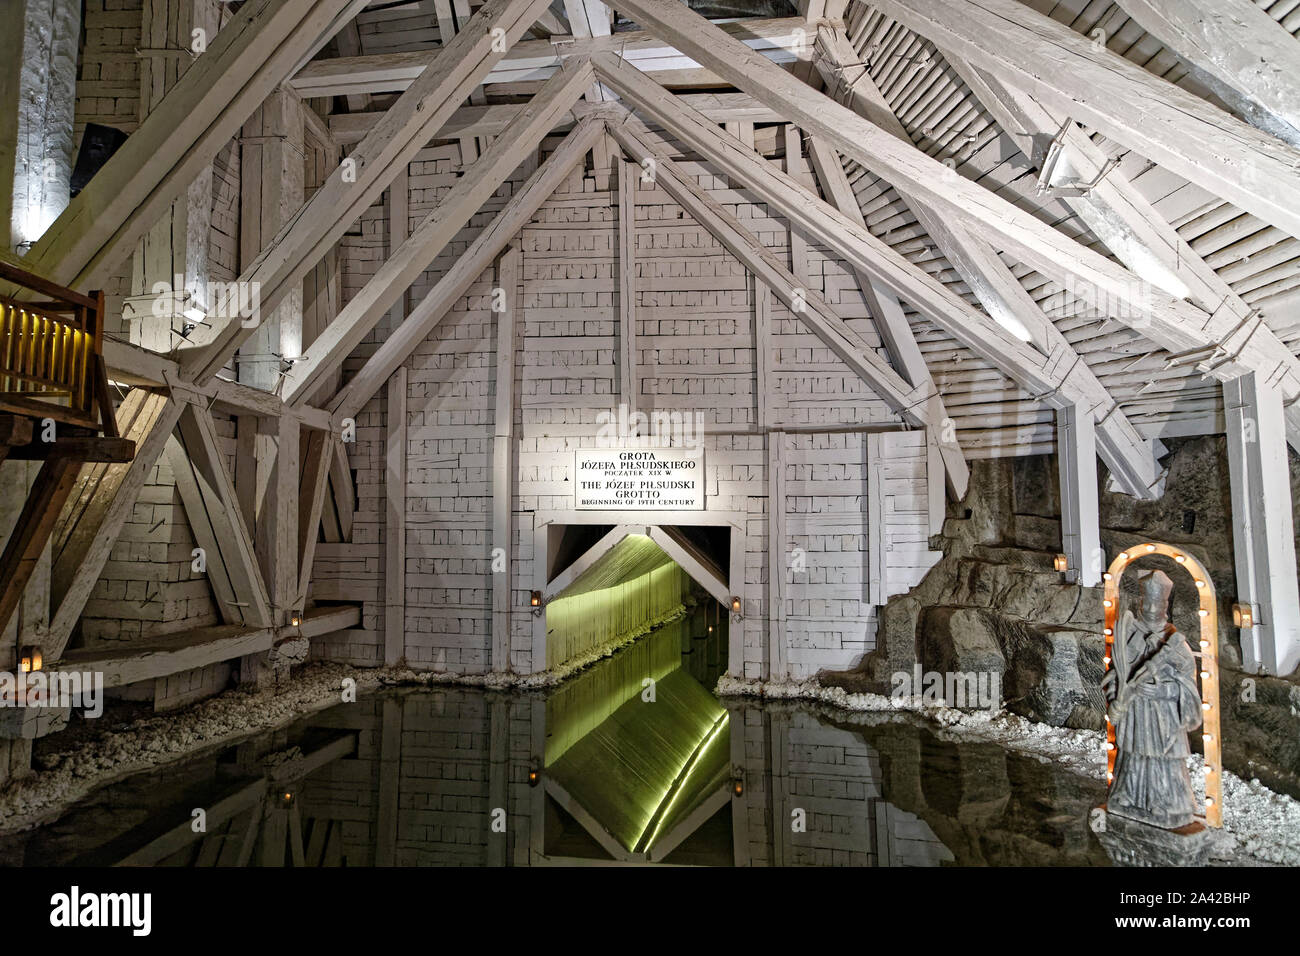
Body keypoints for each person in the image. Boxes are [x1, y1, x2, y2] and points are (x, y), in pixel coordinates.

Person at [1101, 568, 1202, 829]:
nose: (1151, 608)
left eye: (1157, 603)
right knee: (1132, 754)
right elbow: (1117, 671)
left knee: (1161, 758)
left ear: (1165, 605)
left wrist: (1163, 692)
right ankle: (1128, 797)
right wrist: (1116, 692)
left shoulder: (1176, 644)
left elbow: (1188, 684)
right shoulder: (1131, 633)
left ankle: (1167, 803)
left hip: (1162, 716)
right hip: (1135, 711)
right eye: (1147, 602)